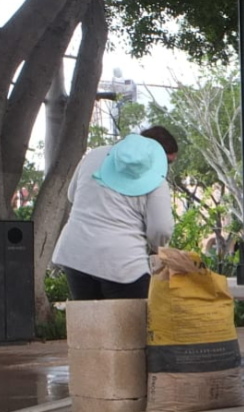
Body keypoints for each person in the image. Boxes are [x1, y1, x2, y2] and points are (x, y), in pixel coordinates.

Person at [54, 126, 178, 300]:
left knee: (88, 323)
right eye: (168, 161)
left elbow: (72, 195)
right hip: (123, 264)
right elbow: (161, 229)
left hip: (76, 254)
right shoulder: (157, 181)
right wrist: (157, 248)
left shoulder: (95, 155)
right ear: (156, 154)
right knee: (130, 325)